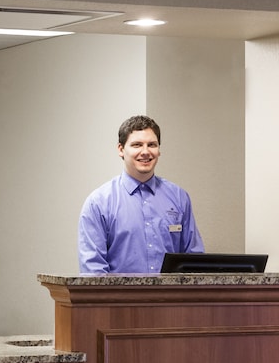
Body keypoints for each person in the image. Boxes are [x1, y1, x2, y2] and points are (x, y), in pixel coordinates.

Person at [77, 115, 204, 274]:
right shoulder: (98, 203)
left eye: (152, 145)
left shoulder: (179, 197)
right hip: (118, 292)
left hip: (171, 292)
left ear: (159, 150)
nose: (145, 152)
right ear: (121, 149)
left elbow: (194, 263)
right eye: (137, 145)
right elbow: (93, 272)